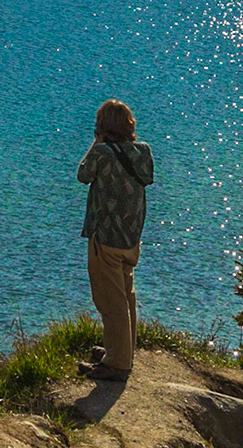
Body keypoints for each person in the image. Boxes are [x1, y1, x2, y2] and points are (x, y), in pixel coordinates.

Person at [76, 98, 154, 382]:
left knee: (110, 301)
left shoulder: (102, 153)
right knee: (126, 295)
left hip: (106, 238)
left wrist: (97, 143)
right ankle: (121, 351)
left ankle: (118, 364)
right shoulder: (143, 151)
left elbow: (83, 175)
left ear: (102, 127)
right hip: (131, 237)